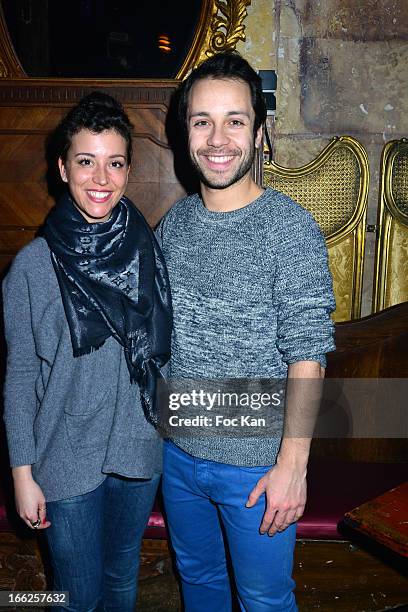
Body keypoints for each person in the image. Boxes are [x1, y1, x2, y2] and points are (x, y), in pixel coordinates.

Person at [157, 52, 336, 611]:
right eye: (202, 121)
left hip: (258, 470)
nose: (217, 138)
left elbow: (309, 354)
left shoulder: (290, 228)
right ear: (185, 132)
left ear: (260, 133)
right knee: (200, 587)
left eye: (235, 120)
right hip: (177, 458)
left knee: (264, 600)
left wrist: (292, 465)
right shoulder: (173, 226)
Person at [2, 91, 172, 611]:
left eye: (114, 163)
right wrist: (22, 473)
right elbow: (20, 375)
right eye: (86, 161)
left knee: (122, 577)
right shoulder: (31, 267)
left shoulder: (151, 249)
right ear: (62, 167)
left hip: (138, 450)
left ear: (127, 170)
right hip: (65, 455)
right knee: (76, 597)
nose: (101, 179)